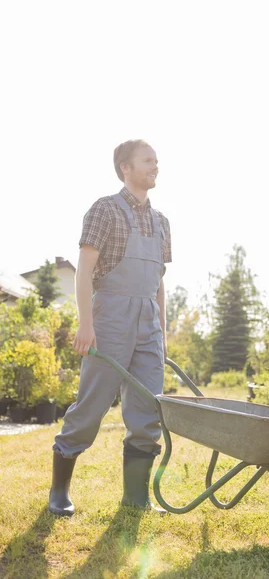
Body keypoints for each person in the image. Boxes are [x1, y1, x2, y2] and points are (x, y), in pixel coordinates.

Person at [49, 139, 172, 516]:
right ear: (125, 168)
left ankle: (135, 497)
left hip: (148, 323)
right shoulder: (105, 210)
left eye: (156, 160)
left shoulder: (162, 221)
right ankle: (59, 492)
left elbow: (159, 280)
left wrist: (162, 332)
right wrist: (86, 325)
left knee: (149, 409)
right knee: (90, 408)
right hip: (110, 319)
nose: (156, 165)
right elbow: (84, 269)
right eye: (147, 160)